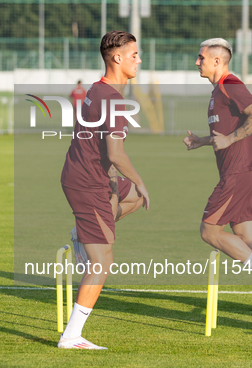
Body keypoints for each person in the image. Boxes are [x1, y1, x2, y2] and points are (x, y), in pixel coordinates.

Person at [184, 38, 252, 313]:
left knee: (209, 231)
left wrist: (231, 139)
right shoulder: (217, 92)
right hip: (244, 171)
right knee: (246, 235)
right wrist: (202, 141)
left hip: (238, 172)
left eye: (201, 57)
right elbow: (224, 133)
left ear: (217, 61)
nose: (197, 62)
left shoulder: (231, 84)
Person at [58, 31, 150, 349]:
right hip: (85, 182)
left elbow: (98, 146)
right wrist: (139, 179)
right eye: (134, 54)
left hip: (94, 176)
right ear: (117, 58)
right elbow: (116, 153)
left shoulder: (100, 90)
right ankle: (71, 336)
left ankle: (81, 232)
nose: (139, 59)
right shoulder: (109, 97)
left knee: (135, 198)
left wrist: (123, 183)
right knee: (102, 263)